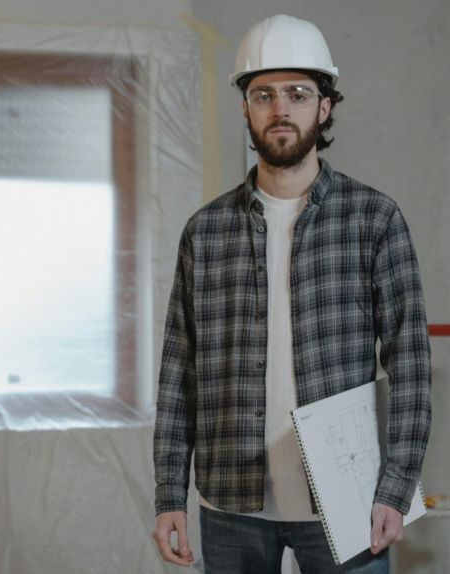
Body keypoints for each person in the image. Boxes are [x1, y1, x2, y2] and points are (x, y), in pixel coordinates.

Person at [152, 14, 431, 573]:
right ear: (246, 108)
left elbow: (411, 364)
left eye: (298, 94)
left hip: (347, 501)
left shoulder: (374, 219)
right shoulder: (204, 232)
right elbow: (179, 371)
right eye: (264, 94)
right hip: (228, 503)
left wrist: (395, 486)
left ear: (324, 106)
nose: (281, 109)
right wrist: (168, 495)